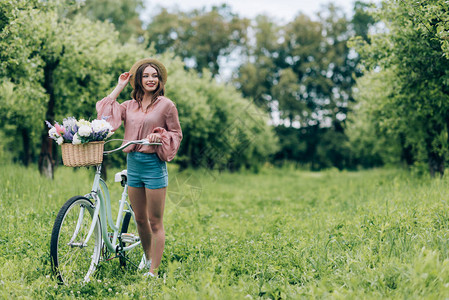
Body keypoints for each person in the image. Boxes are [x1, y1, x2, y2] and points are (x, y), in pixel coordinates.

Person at [96, 58, 182, 277]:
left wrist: (160, 134)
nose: (150, 79)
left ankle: (153, 272)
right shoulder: (129, 105)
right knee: (140, 219)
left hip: (154, 166)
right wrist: (120, 86)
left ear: (160, 80)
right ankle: (148, 257)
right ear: (139, 80)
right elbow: (105, 117)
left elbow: (175, 134)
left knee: (155, 221)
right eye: (145, 76)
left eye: (154, 76)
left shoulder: (167, 105)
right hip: (133, 164)